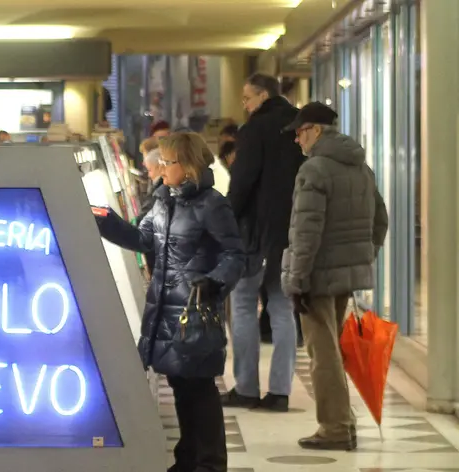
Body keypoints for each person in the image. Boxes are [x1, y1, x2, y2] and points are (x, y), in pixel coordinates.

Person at [95, 132, 244, 472]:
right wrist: (104, 220)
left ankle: (209, 462)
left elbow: (236, 255)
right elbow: (143, 238)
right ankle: (188, 459)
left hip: (193, 311)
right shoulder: (164, 199)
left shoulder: (212, 205)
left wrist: (214, 281)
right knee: (180, 386)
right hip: (165, 309)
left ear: (188, 165)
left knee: (199, 390)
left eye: (167, 161)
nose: (161, 169)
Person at [282, 102, 388, 451]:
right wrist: (363, 254)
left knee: (322, 352)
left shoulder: (314, 171)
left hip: (317, 274)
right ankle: (345, 422)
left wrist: (296, 280)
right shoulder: (361, 168)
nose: (297, 140)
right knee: (330, 348)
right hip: (345, 273)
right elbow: (380, 220)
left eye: (299, 132)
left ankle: (335, 428)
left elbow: (304, 234)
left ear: (314, 129)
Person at [224, 73, 304, 412]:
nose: (244, 105)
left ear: (262, 96)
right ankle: (280, 392)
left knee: (242, 303)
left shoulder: (255, 129)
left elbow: (242, 182)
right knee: (282, 307)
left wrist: (226, 221)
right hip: (291, 233)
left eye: (246, 98)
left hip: (255, 233)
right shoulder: (300, 127)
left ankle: (245, 387)